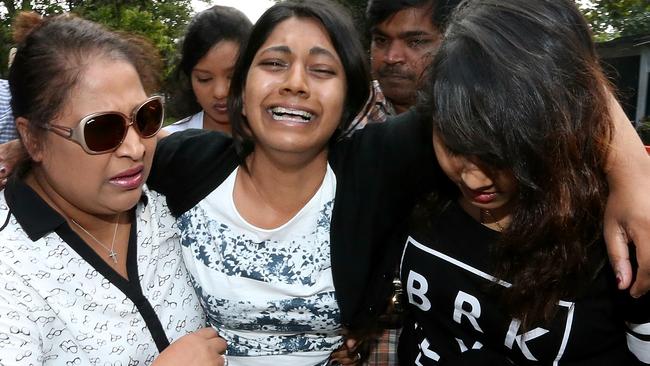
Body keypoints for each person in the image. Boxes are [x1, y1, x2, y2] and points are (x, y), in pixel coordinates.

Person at [397, 0, 650, 364]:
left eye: (498, 154)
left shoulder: (619, 238)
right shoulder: (418, 178)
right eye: (454, 144)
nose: (472, 177)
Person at [0, 12, 227, 365]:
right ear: (32, 138)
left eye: (146, 117)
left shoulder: (174, 197)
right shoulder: (10, 269)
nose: (135, 148)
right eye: (102, 129)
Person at [164, 5, 252, 135]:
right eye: (204, 79)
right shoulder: (167, 145)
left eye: (233, 76)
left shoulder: (280, 141)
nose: (220, 92)